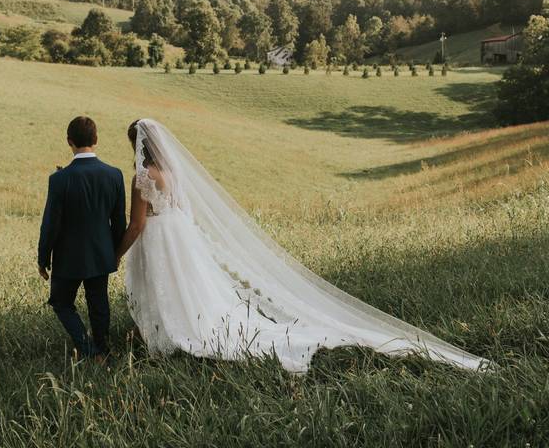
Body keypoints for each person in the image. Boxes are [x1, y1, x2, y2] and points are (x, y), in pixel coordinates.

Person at [115, 118, 489, 373]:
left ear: (138, 144)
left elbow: (137, 223)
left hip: (162, 237)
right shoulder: (174, 172)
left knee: (171, 289)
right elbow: (181, 208)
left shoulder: (143, 176)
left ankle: (171, 338)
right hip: (181, 234)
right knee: (191, 287)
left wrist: (116, 253)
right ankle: (179, 332)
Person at [38, 116, 126, 361]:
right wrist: (115, 253)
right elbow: (119, 222)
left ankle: (88, 350)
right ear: (96, 140)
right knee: (99, 303)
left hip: (68, 257)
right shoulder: (114, 175)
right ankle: (103, 349)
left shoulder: (59, 179)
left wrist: (42, 258)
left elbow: (50, 224)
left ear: (69, 141)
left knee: (61, 303)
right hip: (101, 253)